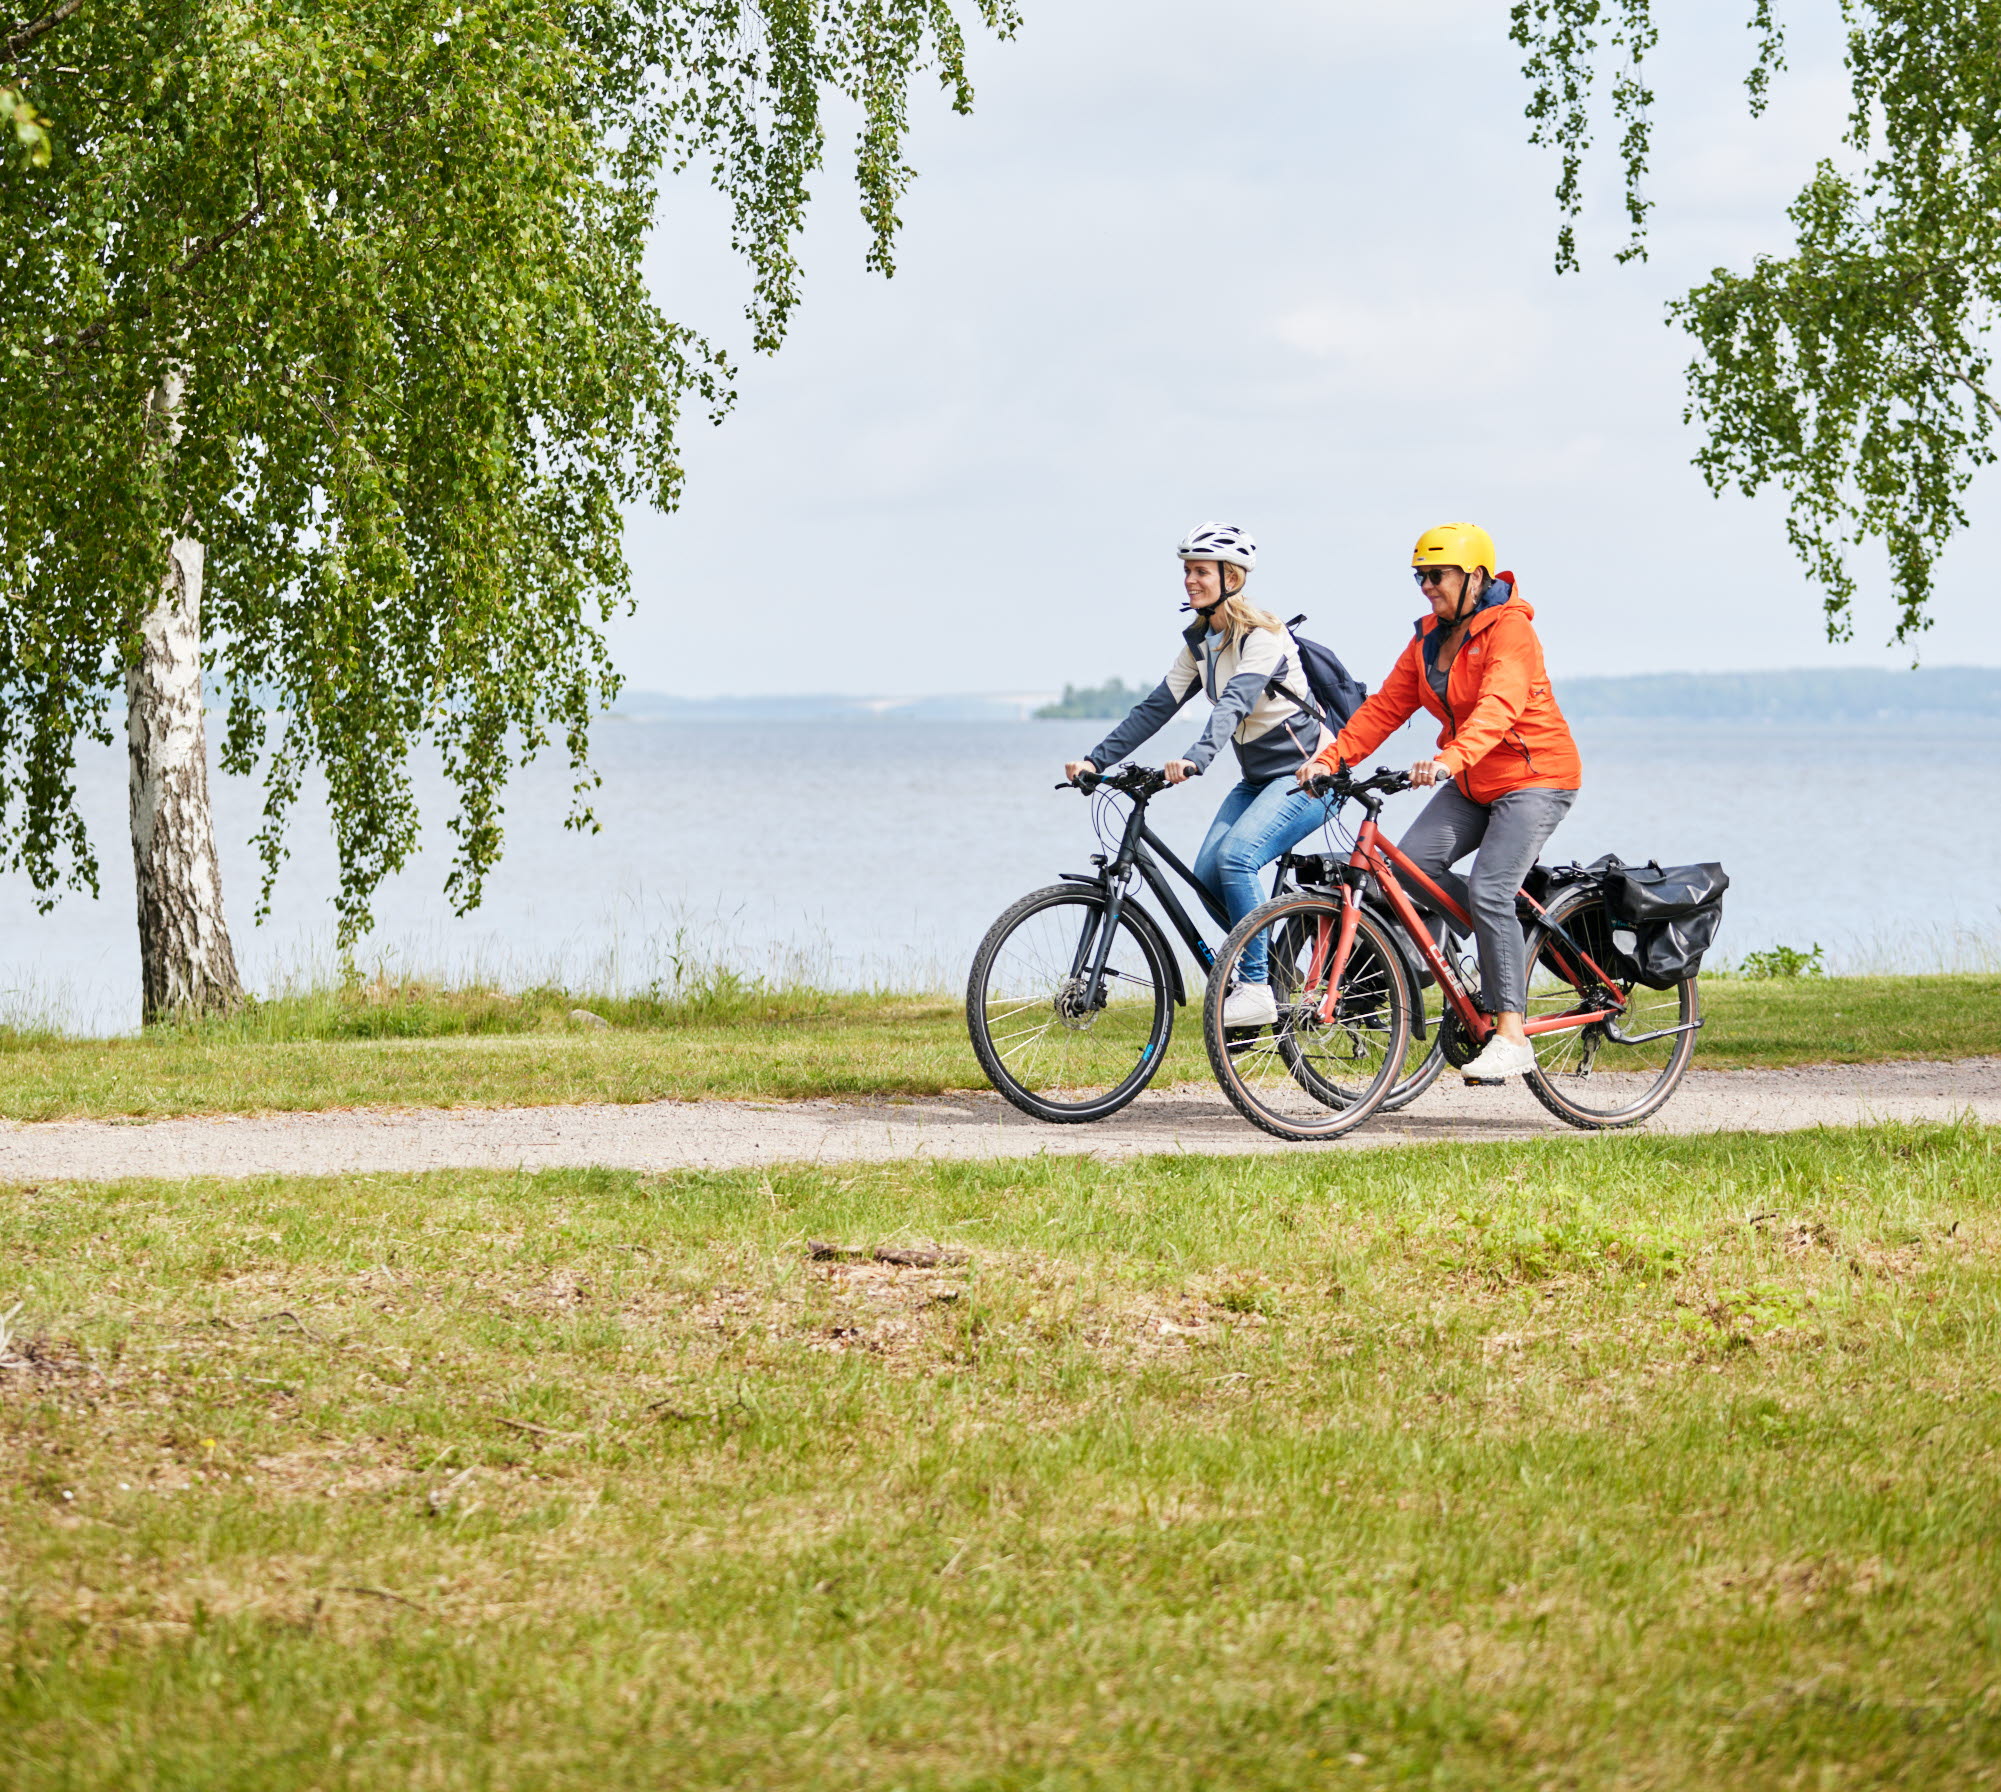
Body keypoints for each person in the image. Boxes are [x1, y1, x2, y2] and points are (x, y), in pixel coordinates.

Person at [1299, 522, 1581, 1082]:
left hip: (1535, 776)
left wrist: (1451, 758)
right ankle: (1506, 932)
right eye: (1419, 577)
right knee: (1408, 870)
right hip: (1474, 780)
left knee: (1490, 886)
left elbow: (1498, 708)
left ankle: (1510, 1034)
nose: (1426, 586)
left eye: (1437, 575)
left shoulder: (1511, 632)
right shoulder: (1429, 638)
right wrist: (1332, 758)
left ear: (1475, 576)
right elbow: (1383, 708)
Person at [1064, 522, 1333, 1028]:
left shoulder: (1264, 638)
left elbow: (1233, 705)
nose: (1190, 580)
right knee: (1208, 875)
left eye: (1201, 571)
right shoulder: (1201, 645)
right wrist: (1097, 760)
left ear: (1231, 576)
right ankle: (1272, 970)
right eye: (1187, 570)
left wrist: (1196, 758)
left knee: (1237, 858)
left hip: (1308, 777)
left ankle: (1253, 985)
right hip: (1258, 780)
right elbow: (1153, 708)